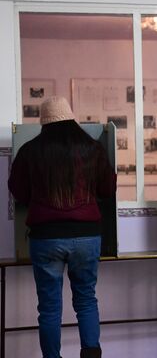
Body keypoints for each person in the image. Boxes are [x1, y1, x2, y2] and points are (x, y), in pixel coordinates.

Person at [8, 96, 117, 358]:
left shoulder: (30, 150)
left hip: (46, 238)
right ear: (71, 116)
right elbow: (108, 189)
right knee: (86, 300)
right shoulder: (92, 148)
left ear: (44, 122)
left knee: (49, 308)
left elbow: (18, 191)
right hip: (87, 236)